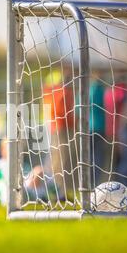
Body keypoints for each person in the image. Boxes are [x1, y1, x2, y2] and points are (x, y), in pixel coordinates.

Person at [42, 67, 74, 196]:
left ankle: (56, 188)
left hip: (55, 127)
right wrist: (73, 124)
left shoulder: (52, 92)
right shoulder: (62, 92)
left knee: (56, 159)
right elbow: (63, 112)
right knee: (59, 161)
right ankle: (57, 189)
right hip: (61, 128)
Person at [103, 77, 127, 172]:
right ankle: (122, 181)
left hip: (109, 130)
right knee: (122, 158)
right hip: (120, 130)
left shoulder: (108, 92)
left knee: (112, 159)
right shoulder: (122, 92)